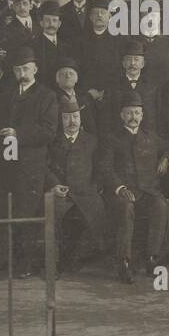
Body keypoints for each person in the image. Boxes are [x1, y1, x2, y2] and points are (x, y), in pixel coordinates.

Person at [0, 46, 59, 276]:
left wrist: (17, 133)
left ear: (36, 69)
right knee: (6, 212)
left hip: (30, 165)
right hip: (6, 164)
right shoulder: (7, 95)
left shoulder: (47, 96)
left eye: (27, 68)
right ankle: (6, 261)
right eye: (19, 69)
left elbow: (49, 131)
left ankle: (25, 264)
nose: (23, 73)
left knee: (26, 215)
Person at [100, 91, 169, 280]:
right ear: (121, 115)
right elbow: (105, 168)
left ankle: (152, 257)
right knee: (125, 209)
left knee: (160, 206)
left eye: (137, 113)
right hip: (122, 193)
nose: (133, 117)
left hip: (148, 191)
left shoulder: (150, 136)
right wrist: (120, 188)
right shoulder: (111, 139)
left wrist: (166, 158)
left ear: (142, 115)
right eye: (129, 113)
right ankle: (124, 262)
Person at [46, 94, 108, 271]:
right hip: (61, 193)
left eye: (75, 117)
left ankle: (90, 257)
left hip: (86, 192)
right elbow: (45, 166)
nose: (72, 121)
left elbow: (100, 167)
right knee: (55, 218)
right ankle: (56, 263)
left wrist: (95, 186)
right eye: (67, 118)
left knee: (97, 219)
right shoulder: (53, 141)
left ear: (81, 118)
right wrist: (54, 185)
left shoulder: (92, 141)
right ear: (61, 119)